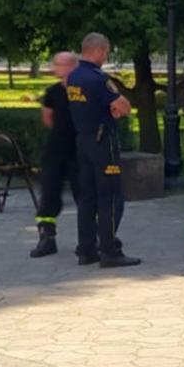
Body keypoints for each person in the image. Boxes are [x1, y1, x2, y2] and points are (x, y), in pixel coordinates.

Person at [66, 33, 141, 268]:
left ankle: (86, 249)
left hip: (83, 141)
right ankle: (109, 250)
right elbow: (123, 107)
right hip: (102, 142)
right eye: (106, 51)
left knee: (87, 197)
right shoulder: (97, 78)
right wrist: (117, 109)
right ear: (98, 50)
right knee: (111, 197)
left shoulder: (74, 77)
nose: (106, 56)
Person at [30, 52, 79, 258]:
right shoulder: (52, 92)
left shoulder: (84, 90)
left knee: (84, 193)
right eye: (55, 64)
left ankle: (90, 239)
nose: (55, 68)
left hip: (80, 150)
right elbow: (47, 118)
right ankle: (47, 238)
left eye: (60, 64)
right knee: (49, 193)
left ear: (73, 66)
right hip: (55, 150)